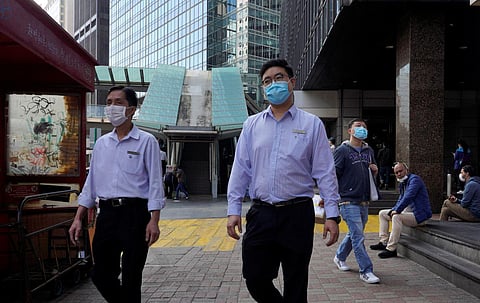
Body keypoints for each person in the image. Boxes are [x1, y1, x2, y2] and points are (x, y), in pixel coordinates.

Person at [226, 59, 340, 302]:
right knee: (255, 278)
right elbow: (241, 169)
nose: (273, 84)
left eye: (278, 78)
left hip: (297, 214)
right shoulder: (252, 125)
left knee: (296, 284)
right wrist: (233, 209)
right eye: (267, 81)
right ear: (263, 88)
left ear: (291, 82)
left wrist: (332, 215)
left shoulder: (311, 124)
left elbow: (325, 172)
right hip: (261, 213)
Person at [68, 86, 164, 303]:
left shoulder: (147, 141)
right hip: (107, 215)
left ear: (131, 109)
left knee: (132, 277)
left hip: (136, 215)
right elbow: (90, 185)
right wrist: (77, 218)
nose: (111, 107)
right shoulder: (102, 144)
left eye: (118, 102)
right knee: (100, 274)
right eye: (109, 102)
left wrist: (154, 220)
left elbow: (156, 183)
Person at [333, 118, 380, 284]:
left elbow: (371, 174)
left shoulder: (369, 151)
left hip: (364, 200)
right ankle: (366, 270)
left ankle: (339, 256)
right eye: (358, 126)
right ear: (350, 131)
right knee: (358, 236)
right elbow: (334, 175)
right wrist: (330, 197)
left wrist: (375, 171)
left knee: (355, 234)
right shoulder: (342, 151)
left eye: (364, 127)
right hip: (347, 200)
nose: (362, 129)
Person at [370, 161, 432, 258]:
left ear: (406, 170)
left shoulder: (415, 180)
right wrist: (394, 209)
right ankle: (383, 242)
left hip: (420, 216)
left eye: (400, 171)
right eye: (396, 173)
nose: (399, 174)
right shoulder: (403, 183)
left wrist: (397, 211)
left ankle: (391, 249)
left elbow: (408, 197)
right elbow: (400, 199)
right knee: (382, 213)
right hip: (409, 214)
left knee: (396, 217)